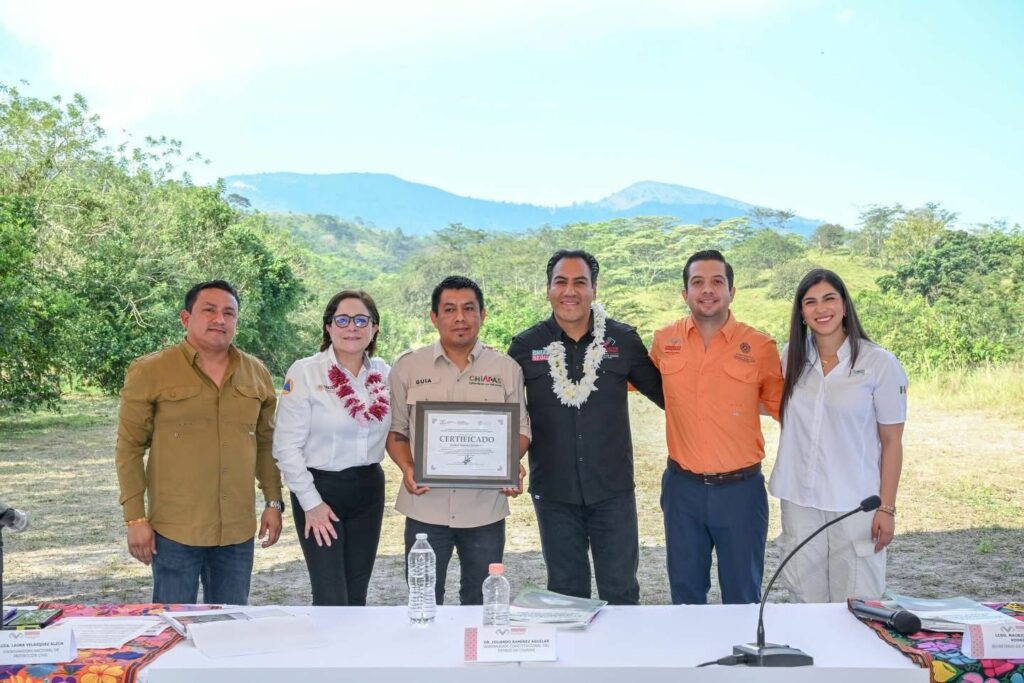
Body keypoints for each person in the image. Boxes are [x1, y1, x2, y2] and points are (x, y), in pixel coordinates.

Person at [508, 249, 663, 605]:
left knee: (622, 591)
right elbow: (505, 412)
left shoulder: (623, 341)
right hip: (554, 493)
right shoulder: (525, 346)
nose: (570, 291)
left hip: (613, 492)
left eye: (580, 282)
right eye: (560, 282)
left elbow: (668, 397)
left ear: (594, 289)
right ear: (548, 290)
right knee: (565, 593)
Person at [114, 280, 283, 605]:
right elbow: (129, 448)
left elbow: (266, 444)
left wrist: (273, 503)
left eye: (229, 313)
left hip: (236, 530)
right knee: (174, 627)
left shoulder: (257, 373)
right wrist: (135, 519)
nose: (220, 319)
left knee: (231, 626)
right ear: (185, 318)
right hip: (176, 530)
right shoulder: (151, 371)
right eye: (209, 310)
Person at [386, 276, 531, 606]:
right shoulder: (408, 367)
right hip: (425, 507)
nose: (460, 318)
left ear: (483, 314)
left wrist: (507, 464)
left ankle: (471, 657)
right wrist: (408, 468)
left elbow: (521, 430)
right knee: (423, 599)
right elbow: (397, 432)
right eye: (449, 310)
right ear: (434, 317)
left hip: (484, 510)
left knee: (480, 602)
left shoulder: (506, 368)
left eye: (469, 309)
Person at [650, 250, 783, 605]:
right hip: (682, 490)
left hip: (741, 492)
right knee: (686, 594)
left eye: (716, 282)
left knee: (743, 595)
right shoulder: (664, 341)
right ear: (685, 294)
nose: (707, 290)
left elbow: (787, 409)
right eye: (697, 282)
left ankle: (739, 661)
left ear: (731, 291)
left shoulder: (760, 346)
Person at [769, 269, 907, 602]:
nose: (821, 309)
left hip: (855, 505)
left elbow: (892, 443)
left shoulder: (880, 364)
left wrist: (886, 509)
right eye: (810, 302)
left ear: (844, 305)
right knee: (805, 600)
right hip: (800, 500)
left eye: (829, 298)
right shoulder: (790, 357)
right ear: (801, 313)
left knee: (858, 604)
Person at [272, 290, 391, 606]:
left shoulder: (385, 373)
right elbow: (285, 446)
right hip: (320, 489)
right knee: (330, 597)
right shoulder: (306, 372)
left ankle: (354, 656)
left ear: (374, 327)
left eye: (361, 320)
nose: (351, 327)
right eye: (342, 319)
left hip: (368, 488)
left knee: (356, 594)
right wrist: (311, 502)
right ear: (328, 327)